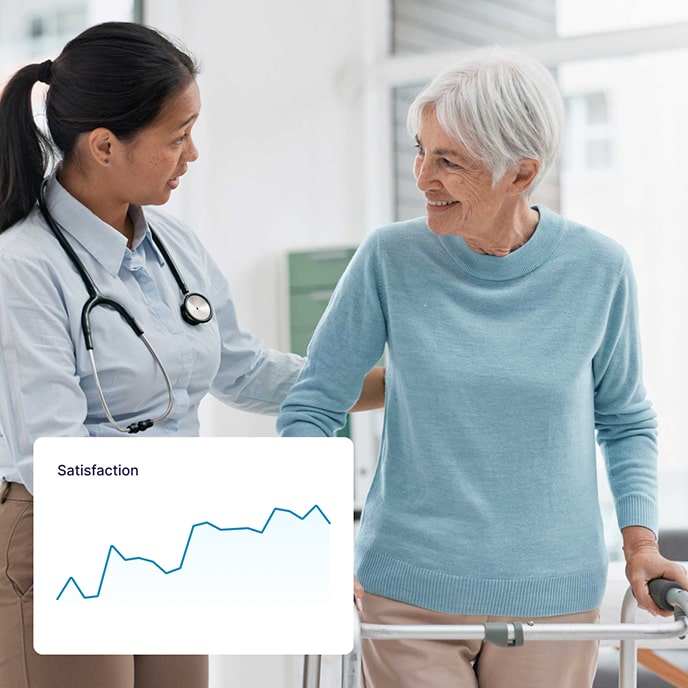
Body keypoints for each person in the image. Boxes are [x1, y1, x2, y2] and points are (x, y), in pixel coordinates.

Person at [277, 46, 688, 688]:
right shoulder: (390, 259)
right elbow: (312, 405)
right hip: (406, 593)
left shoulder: (599, 269)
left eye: (449, 161)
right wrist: (316, 536)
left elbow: (626, 418)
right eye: (420, 149)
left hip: (554, 598)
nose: (422, 177)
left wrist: (641, 545)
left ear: (520, 174)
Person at [0, 21, 384, 688]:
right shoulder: (23, 267)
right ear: (103, 146)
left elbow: (243, 368)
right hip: (63, 528)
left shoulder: (174, 245)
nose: (194, 153)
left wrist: (387, 384)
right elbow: (53, 453)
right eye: (177, 136)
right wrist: (246, 533)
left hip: (163, 529)